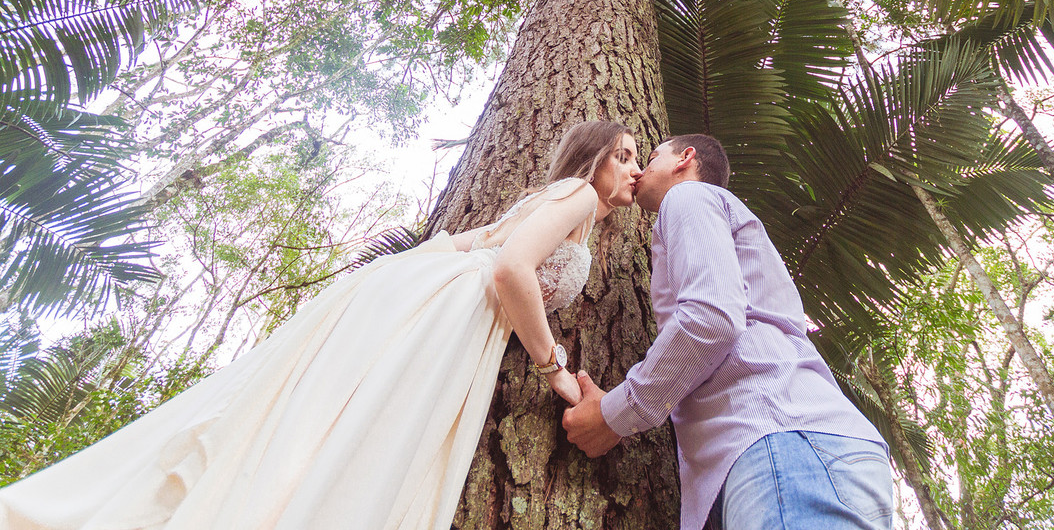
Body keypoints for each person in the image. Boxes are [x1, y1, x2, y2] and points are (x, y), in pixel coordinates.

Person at [0, 120, 642, 530]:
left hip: (439, 298)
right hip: (454, 312)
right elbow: (509, 269)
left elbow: (470, 244)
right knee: (365, 438)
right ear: (596, 161)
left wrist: (378, 286)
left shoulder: (553, 204)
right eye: (626, 154)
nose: (635, 168)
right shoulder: (576, 195)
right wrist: (552, 367)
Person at [563, 134, 894, 530]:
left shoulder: (688, 197)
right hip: (794, 453)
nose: (638, 171)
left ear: (685, 159)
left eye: (650, 158)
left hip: (780, 443)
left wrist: (614, 415)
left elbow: (712, 315)